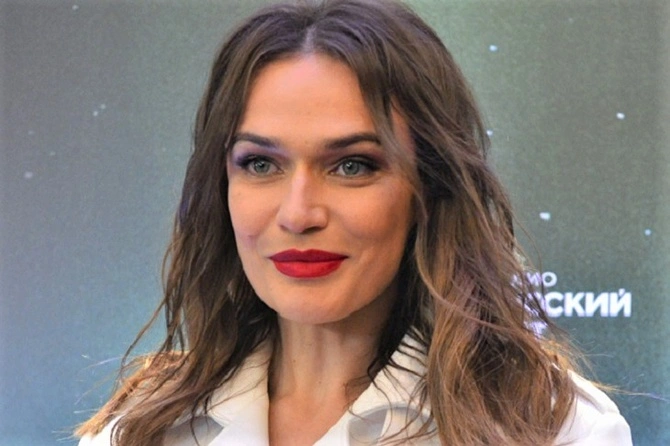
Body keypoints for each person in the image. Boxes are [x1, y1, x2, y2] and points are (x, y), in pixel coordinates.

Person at [76, 0, 633, 444]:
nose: (298, 214)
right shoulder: (139, 428)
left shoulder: (554, 427)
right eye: (261, 164)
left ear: (428, 187)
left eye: (352, 166)